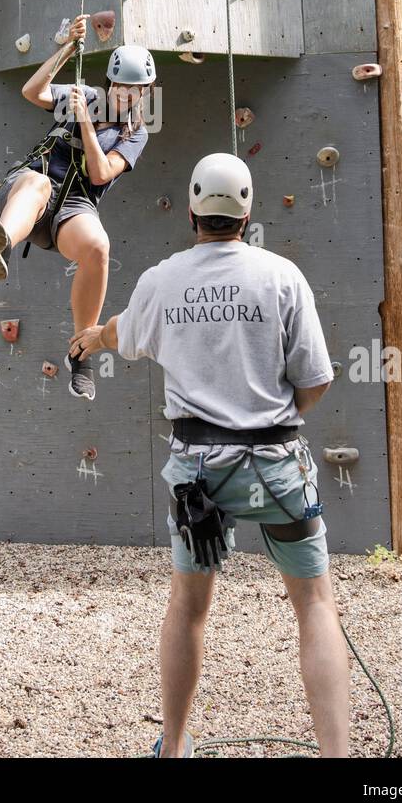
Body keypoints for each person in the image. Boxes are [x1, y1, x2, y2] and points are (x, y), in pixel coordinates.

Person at [68, 152, 349, 758]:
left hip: (200, 471)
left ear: (193, 207)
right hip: (277, 464)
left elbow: (128, 328)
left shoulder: (163, 280)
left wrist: (94, 335)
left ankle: (172, 750)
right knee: (315, 605)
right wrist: (278, 420)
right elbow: (316, 380)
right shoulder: (282, 277)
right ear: (247, 209)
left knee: (189, 608)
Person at [0, 13, 156, 400]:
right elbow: (32, 92)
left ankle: (81, 351)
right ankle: (0, 242)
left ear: (146, 92)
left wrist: (86, 124)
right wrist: (66, 49)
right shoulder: (85, 95)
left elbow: (101, 172)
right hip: (37, 185)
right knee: (37, 182)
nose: (126, 94)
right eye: (121, 86)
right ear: (110, 82)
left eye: (135, 90)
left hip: (76, 203)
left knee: (98, 248)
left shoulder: (136, 133)